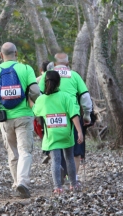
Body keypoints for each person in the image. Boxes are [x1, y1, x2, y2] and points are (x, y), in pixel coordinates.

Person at [0, 42, 40, 199]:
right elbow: (35, 91)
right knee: (25, 150)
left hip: (4, 118)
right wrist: (35, 102)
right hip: (24, 115)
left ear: (1, 55)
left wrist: (0, 104)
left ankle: (16, 183)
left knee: (12, 152)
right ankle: (23, 181)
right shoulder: (26, 69)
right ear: (16, 53)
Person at [39, 53, 92, 182]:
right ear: (68, 63)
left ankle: (60, 173)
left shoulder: (47, 76)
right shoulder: (75, 76)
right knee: (75, 149)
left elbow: (39, 95)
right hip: (72, 115)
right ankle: (73, 178)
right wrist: (87, 115)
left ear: (55, 64)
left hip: (51, 115)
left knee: (56, 145)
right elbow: (85, 97)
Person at [29, 70, 83, 194]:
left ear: (44, 83)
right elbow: (74, 115)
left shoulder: (42, 99)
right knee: (69, 158)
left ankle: (58, 187)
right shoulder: (66, 97)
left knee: (56, 160)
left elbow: (35, 111)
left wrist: (28, 100)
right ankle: (73, 185)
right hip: (66, 134)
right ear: (59, 82)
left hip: (51, 136)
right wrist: (79, 132)